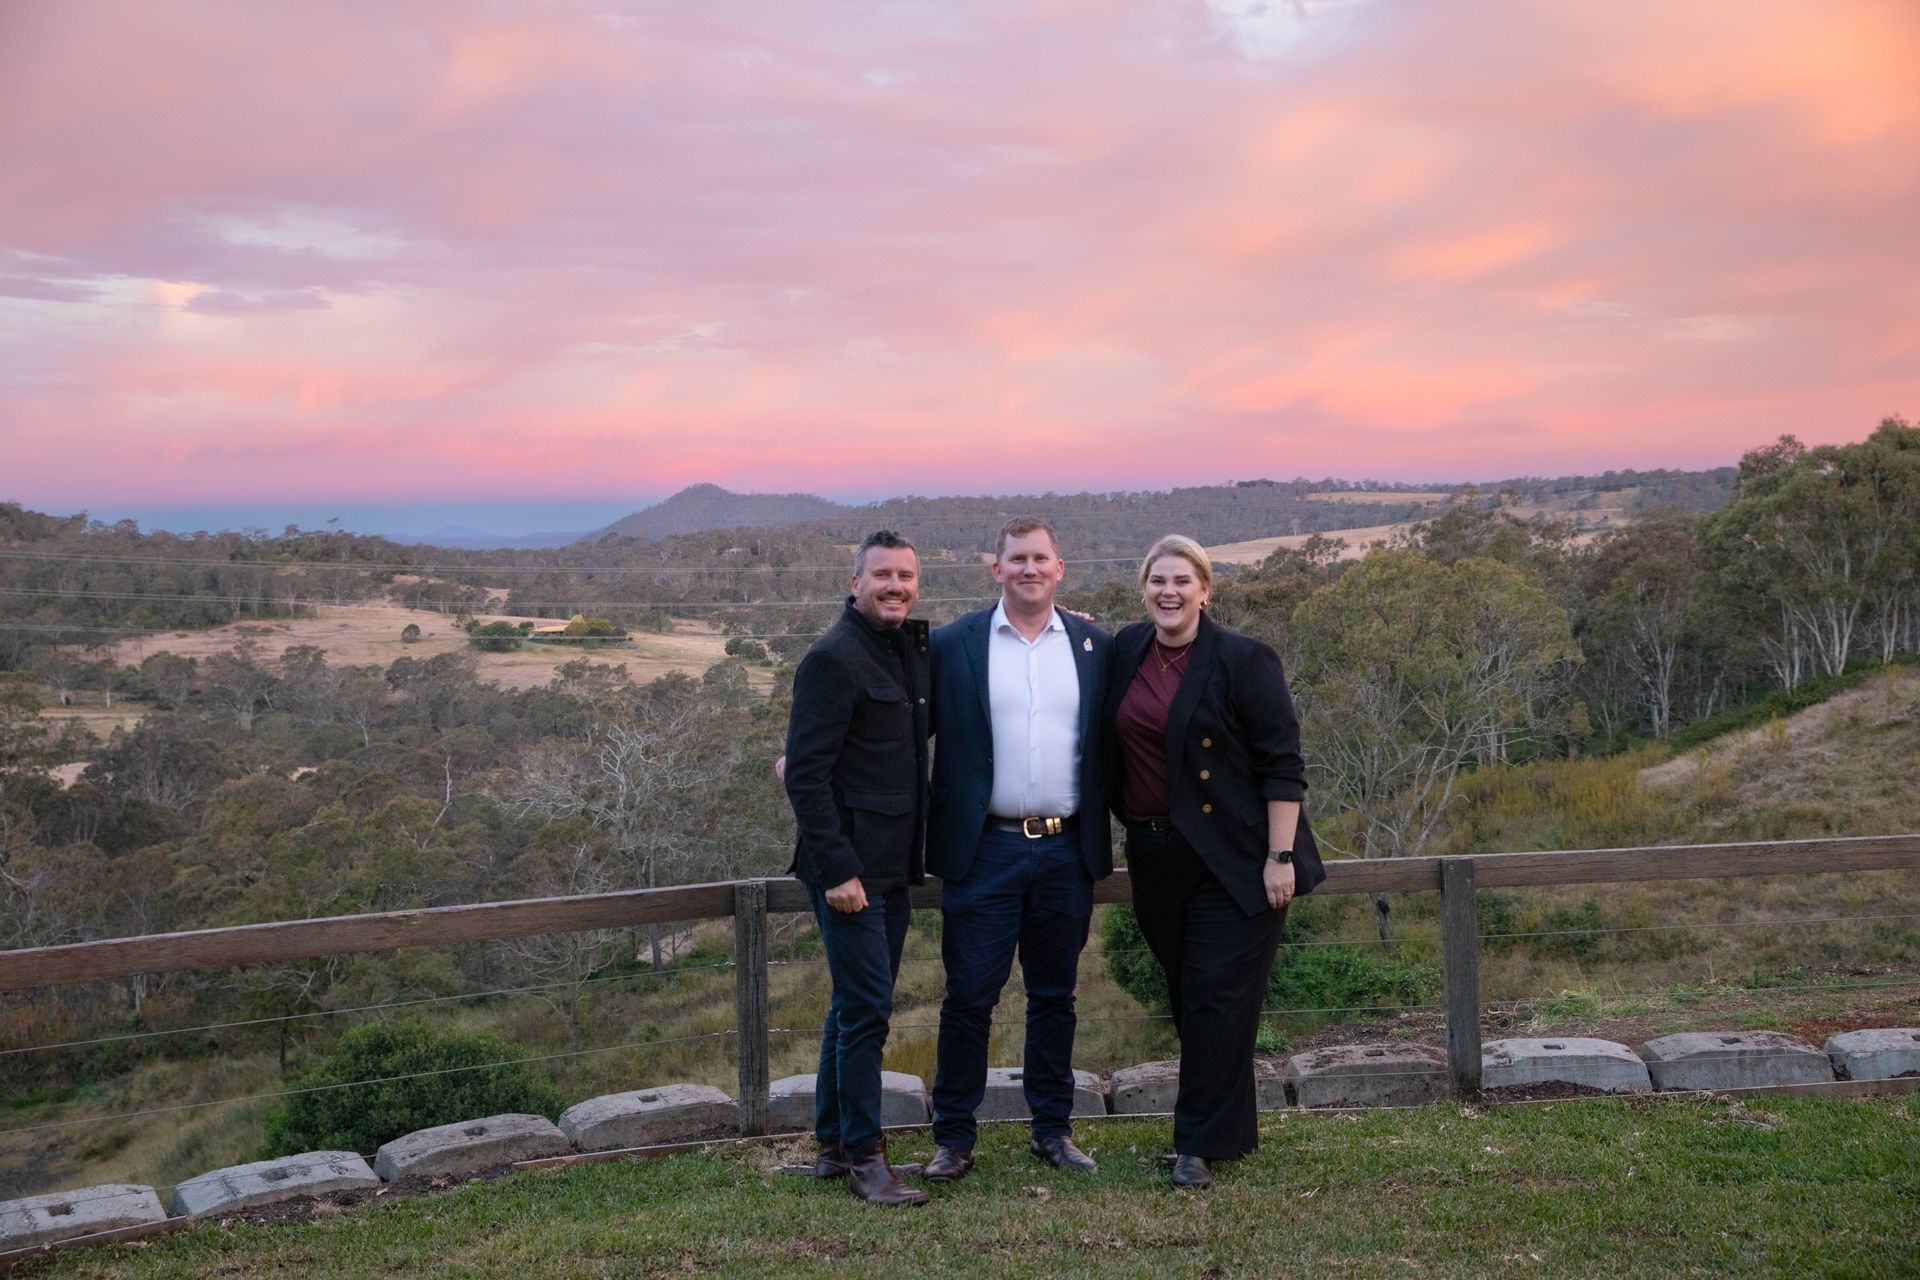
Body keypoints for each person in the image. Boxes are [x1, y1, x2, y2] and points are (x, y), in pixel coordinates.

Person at [1102, 534, 1326, 1189]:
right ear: (1142, 589)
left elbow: (1283, 764)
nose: (1168, 592)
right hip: (1155, 855)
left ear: (1206, 589)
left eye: (1182, 580)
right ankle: (1228, 1133)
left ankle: (1195, 1148)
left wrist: (1279, 856)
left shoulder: (1244, 659)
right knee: (1193, 998)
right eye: (1156, 581)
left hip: (1237, 857)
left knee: (1215, 998)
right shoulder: (1124, 651)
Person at [920, 515, 1113, 1183]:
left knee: (1055, 996)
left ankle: (1053, 1130)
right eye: (1016, 559)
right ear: (993, 568)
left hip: (1066, 851)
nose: (1029, 569)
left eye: (1041, 559)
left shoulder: (1095, 646)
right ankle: (953, 1137)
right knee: (970, 996)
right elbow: (892, 718)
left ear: (1061, 568)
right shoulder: (952, 646)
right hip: (985, 851)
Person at [783, 530, 932, 1206]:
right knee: (869, 1007)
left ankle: (832, 1144)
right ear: (855, 583)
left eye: (905, 575)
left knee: (852, 1006)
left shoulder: (905, 651)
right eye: (882, 576)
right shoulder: (832, 658)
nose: (895, 585)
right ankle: (868, 1160)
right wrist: (839, 870)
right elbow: (806, 777)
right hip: (848, 873)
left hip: (895, 865)